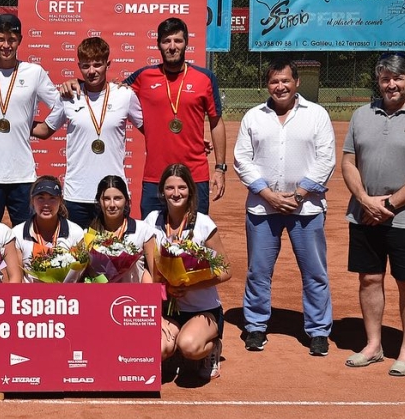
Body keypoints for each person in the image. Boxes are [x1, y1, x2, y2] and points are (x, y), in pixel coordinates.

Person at [342, 54, 405, 377]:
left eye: (398, 79)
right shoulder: (361, 115)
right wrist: (364, 200)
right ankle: (373, 345)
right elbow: (347, 162)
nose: (391, 84)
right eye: (386, 78)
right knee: (369, 278)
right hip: (364, 214)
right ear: (379, 80)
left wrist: (388, 205)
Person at [233, 59, 336, 356]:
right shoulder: (253, 117)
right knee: (258, 271)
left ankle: (318, 331)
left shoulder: (316, 115)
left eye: (285, 81)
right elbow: (242, 159)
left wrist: (300, 195)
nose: (280, 87)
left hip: (307, 209)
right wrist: (269, 195)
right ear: (267, 85)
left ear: (297, 82)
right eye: (274, 82)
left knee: (315, 272)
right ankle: (255, 327)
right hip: (262, 209)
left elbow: (325, 159)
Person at [33, 37, 143, 227]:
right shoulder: (69, 96)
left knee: (114, 253)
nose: (91, 71)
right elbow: (44, 130)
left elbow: (151, 129)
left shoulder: (124, 95)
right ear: (79, 66)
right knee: (77, 254)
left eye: (97, 65)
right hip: (77, 195)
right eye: (86, 66)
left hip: (112, 195)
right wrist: (12, 121)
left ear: (108, 64)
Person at [123, 17, 226, 216]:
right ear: (158, 44)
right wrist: (79, 83)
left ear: (186, 43)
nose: (172, 47)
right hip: (156, 178)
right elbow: (109, 92)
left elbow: (216, 122)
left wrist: (220, 168)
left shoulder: (205, 78)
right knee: (152, 241)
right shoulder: (143, 77)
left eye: (178, 41)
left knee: (194, 240)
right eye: (166, 41)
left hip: (194, 176)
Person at [0, 14, 60, 225]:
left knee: (28, 235)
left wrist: (44, 128)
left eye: (12, 39)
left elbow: (60, 105)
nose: (6, 45)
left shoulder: (34, 73)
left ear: (20, 40)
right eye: (1, 39)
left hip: (23, 173)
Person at [146, 163, 232, 380]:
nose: (176, 194)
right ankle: (173, 349)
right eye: (170, 188)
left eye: (182, 187)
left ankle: (211, 347)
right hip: (167, 309)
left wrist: (189, 284)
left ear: (191, 190)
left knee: (190, 346)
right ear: (162, 191)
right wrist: (164, 288)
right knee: (157, 349)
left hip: (202, 309)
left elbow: (226, 270)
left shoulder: (203, 224)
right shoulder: (152, 221)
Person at [10, 176, 86, 276]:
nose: (46, 204)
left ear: (61, 200)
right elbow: (17, 277)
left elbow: (79, 276)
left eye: (52, 198)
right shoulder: (17, 233)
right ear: (32, 200)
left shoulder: (76, 232)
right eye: (40, 198)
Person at [89, 175, 157, 283]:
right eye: (106, 199)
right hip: (100, 296)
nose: (112, 204)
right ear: (99, 201)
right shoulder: (89, 234)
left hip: (135, 297)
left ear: (126, 201)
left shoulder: (143, 230)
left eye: (117, 198)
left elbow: (155, 274)